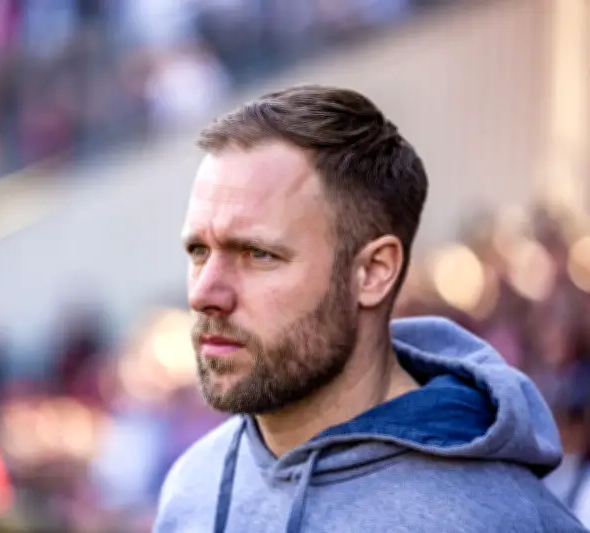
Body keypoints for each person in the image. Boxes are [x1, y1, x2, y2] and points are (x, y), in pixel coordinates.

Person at [153, 85, 586, 533]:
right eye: (198, 251)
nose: (204, 293)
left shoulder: (497, 520)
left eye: (259, 254)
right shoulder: (193, 489)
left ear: (373, 272)